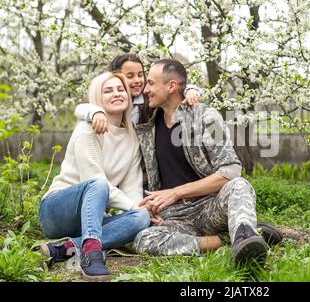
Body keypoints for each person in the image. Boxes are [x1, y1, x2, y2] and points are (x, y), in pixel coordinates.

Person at [132, 59, 282, 264]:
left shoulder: (207, 117)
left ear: (171, 86)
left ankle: (245, 238)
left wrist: (176, 192)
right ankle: (228, 240)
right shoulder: (148, 127)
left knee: (239, 185)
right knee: (144, 240)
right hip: (174, 217)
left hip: (210, 206)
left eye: (150, 83)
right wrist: (152, 208)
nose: (146, 89)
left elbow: (230, 171)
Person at [38, 72, 150, 281]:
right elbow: (94, 180)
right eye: (108, 91)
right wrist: (132, 206)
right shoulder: (87, 129)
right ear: (97, 98)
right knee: (98, 183)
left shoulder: (132, 136)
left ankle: (68, 247)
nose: (117, 94)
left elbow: (132, 184)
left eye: (120, 89)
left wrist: (140, 207)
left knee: (142, 217)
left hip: (91, 217)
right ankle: (91, 254)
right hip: (56, 212)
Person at [75, 53, 201, 133]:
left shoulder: (150, 99)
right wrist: (96, 113)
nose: (137, 81)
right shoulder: (110, 100)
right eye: (130, 76)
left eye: (140, 75)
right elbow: (82, 108)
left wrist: (189, 90)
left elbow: (172, 89)